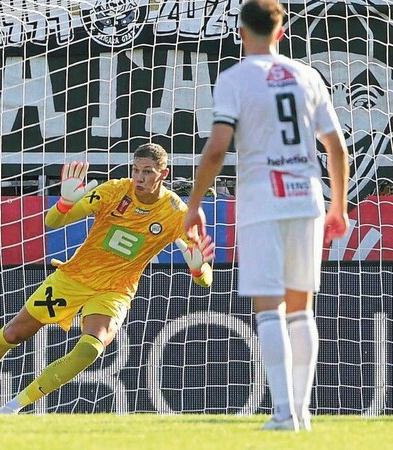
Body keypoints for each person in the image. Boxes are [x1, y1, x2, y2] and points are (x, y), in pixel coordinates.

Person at [0, 143, 215, 414]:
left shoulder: (177, 213)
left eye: (147, 172)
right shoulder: (113, 191)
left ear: (163, 174)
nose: (139, 177)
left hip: (115, 289)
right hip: (74, 277)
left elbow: (206, 282)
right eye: (136, 170)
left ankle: (11, 408)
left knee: (90, 349)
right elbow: (54, 221)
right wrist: (64, 202)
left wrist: (199, 270)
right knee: (14, 333)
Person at [182, 0, 349, 432]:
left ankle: (283, 415)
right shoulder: (307, 75)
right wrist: (339, 205)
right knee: (301, 309)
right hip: (306, 198)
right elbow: (336, 147)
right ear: (281, 31)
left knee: (269, 308)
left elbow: (218, 146)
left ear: (241, 32)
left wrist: (196, 203)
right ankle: (302, 413)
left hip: (261, 198)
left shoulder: (235, 78)